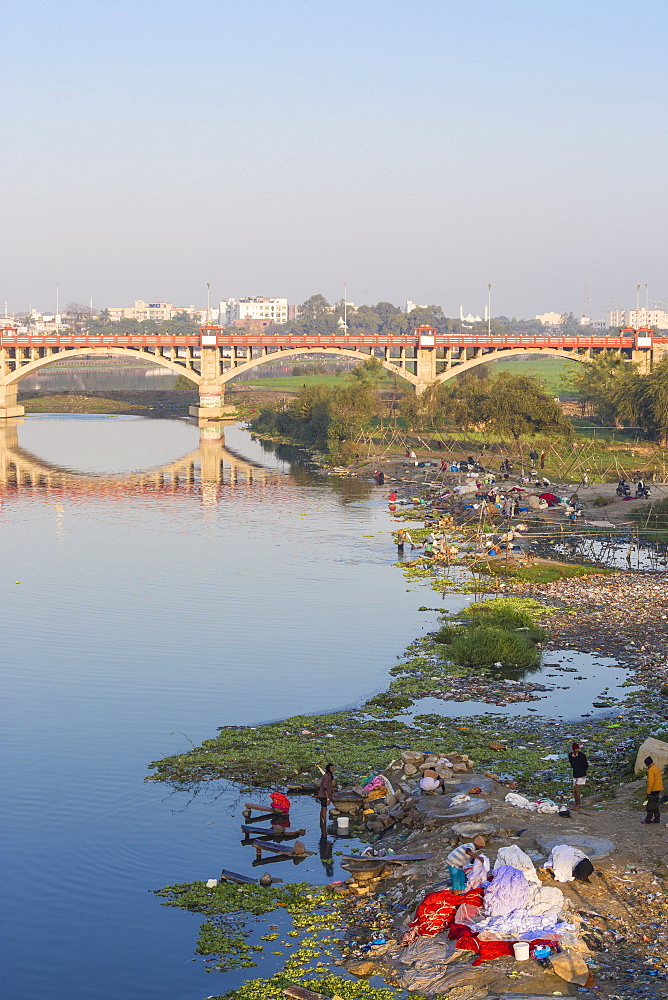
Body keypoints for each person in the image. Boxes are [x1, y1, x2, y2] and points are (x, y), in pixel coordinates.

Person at [641, 756, 663, 824]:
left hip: (653, 789)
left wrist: (648, 792)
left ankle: (648, 820)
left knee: (650, 806)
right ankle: (657, 819)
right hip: (658, 788)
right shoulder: (656, 767)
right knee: (656, 804)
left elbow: (651, 782)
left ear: (647, 764)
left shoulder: (651, 770)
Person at [568, 742, 588, 810]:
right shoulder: (570, 755)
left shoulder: (582, 755)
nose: (576, 750)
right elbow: (572, 764)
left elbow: (585, 765)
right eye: (575, 748)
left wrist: (583, 770)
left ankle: (578, 805)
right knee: (575, 790)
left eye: (577, 748)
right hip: (575, 774)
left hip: (581, 773)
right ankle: (576, 804)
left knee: (576, 789)